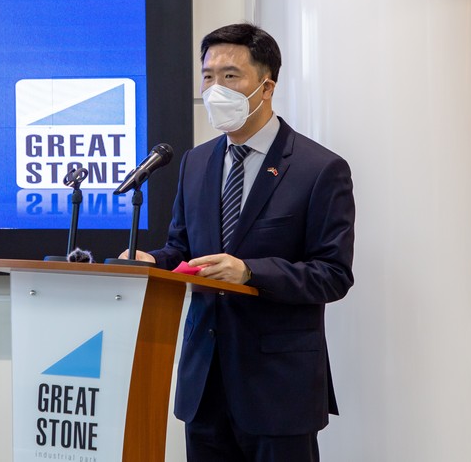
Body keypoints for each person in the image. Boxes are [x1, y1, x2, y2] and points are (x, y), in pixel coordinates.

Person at [121, 23, 355, 461]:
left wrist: (250, 272)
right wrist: (152, 260)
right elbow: (183, 250)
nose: (216, 89)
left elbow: (333, 274)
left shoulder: (319, 169)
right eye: (208, 76)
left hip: (278, 388)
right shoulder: (195, 162)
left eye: (230, 76)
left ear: (266, 87)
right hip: (205, 385)